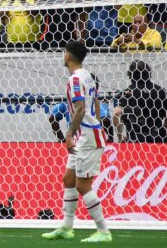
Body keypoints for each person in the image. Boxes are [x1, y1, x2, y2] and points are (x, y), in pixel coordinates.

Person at [41, 41, 112, 243]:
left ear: (67, 56)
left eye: (64, 52)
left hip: (86, 137)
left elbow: (80, 109)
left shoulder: (74, 80)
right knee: (69, 180)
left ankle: (103, 231)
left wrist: (69, 134)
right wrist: (97, 122)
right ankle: (66, 227)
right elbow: (96, 101)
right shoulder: (87, 75)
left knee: (82, 185)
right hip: (87, 133)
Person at [115, 60, 167, 143]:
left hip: (135, 141)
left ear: (130, 74)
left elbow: (117, 113)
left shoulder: (129, 92)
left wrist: (120, 137)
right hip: (157, 140)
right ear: (148, 73)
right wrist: (166, 136)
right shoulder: (161, 91)